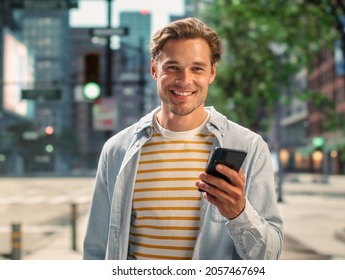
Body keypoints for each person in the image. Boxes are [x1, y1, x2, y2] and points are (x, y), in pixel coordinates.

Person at [83, 17, 283, 260]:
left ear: (212, 73)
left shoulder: (249, 148)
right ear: (154, 69)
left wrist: (239, 214)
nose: (185, 80)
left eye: (197, 68)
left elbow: (270, 256)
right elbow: (96, 251)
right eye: (172, 67)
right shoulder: (116, 150)